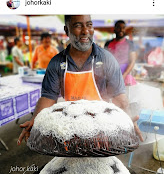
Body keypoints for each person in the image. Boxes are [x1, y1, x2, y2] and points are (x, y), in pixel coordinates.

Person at [18, 15, 143, 145]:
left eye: (89, 25)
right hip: (71, 127)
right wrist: (35, 119)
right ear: (67, 30)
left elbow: (119, 96)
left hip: (101, 127)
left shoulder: (106, 59)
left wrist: (128, 119)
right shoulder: (57, 62)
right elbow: (48, 96)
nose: (85, 31)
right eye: (78, 26)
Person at [104, 20, 137, 86]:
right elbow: (105, 61)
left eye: (123, 27)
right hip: (111, 77)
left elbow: (132, 61)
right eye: (118, 27)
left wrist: (123, 75)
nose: (121, 29)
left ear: (125, 29)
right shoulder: (108, 44)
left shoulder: (130, 44)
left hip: (126, 77)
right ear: (114, 29)